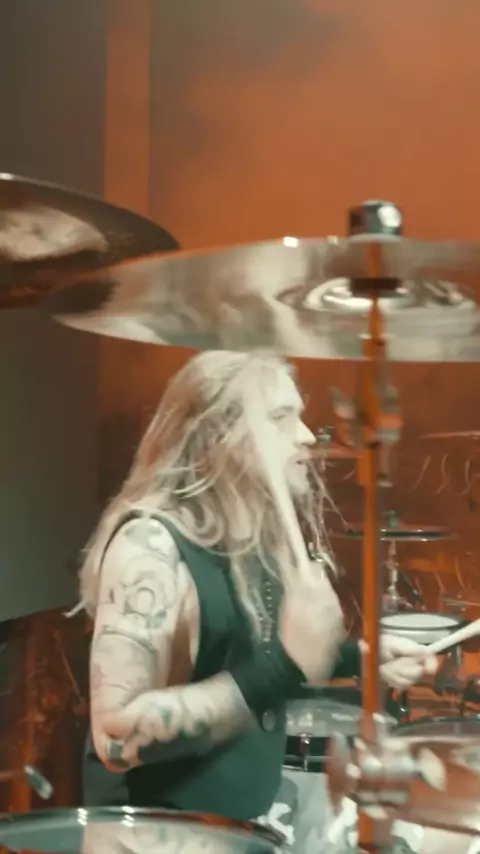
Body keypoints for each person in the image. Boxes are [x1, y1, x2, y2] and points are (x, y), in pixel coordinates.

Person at [80, 351, 437, 834]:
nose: (306, 435)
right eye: (281, 418)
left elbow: (260, 657)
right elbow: (117, 738)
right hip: (155, 835)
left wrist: (361, 658)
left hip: (241, 823)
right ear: (217, 437)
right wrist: (284, 669)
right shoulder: (151, 547)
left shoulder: (253, 540)